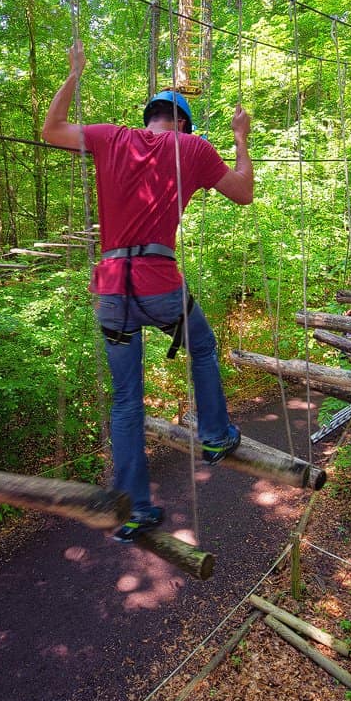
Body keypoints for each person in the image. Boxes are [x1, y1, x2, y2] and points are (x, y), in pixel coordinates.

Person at [42, 40, 254, 542]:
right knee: (201, 346)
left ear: (152, 116)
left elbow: (50, 131)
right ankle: (216, 435)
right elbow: (243, 193)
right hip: (159, 283)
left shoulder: (112, 138)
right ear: (183, 122)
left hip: (112, 291)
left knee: (125, 402)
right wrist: (241, 138)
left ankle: (135, 507)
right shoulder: (193, 148)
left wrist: (73, 73)